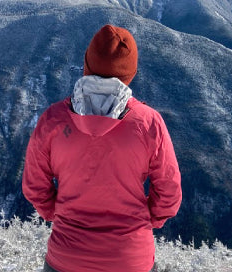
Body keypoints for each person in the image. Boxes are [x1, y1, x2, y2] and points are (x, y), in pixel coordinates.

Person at [22, 24, 182, 272]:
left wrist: (60, 214)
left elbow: (35, 186)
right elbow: (169, 193)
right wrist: (145, 221)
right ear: (131, 72)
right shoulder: (149, 123)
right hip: (130, 258)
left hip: (67, 257)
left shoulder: (53, 119)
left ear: (87, 64)